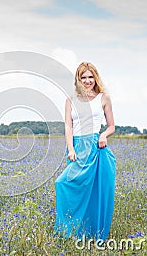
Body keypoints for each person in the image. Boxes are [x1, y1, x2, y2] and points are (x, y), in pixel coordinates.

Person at [54, 61, 116, 241]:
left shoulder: (103, 98)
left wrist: (104, 135)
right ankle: (68, 232)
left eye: (91, 77)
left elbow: (112, 126)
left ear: (95, 78)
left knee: (95, 192)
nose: (88, 81)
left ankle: (91, 234)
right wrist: (71, 148)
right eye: (84, 77)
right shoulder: (70, 99)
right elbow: (68, 126)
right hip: (77, 148)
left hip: (96, 149)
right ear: (78, 79)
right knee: (64, 183)